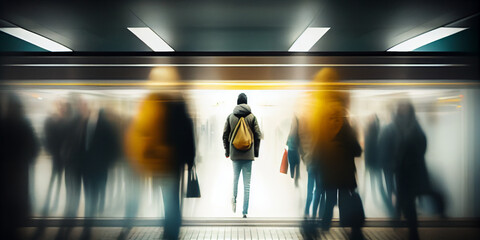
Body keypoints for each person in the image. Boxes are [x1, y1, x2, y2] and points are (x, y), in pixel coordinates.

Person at [125, 67, 195, 240]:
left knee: (166, 203)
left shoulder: (151, 103)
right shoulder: (179, 104)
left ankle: (165, 233)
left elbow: (141, 131)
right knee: (172, 204)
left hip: (158, 161)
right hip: (172, 162)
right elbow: (188, 135)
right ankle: (170, 234)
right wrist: (190, 160)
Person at [302, 68, 365, 240]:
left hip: (326, 169)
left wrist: (312, 161)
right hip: (344, 171)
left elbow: (315, 143)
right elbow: (355, 147)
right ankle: (354, 231)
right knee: (347, 200)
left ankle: (320, 228)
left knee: (327, 200)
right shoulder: (343, 116)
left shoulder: (318, 114)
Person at [392, 101, 445, 240]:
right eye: (400, 110)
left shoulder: (413, 127)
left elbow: (421, 145)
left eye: (404, 110)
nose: (401, 113)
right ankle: (411, 231)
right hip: (405, 173)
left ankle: (413, 231)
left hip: (412, 172)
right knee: (408, 203)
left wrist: (409, 158)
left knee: (412, 200)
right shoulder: (401, 128)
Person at [0, 92, 39, 240]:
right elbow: (34, 148)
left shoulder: (3, 124)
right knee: (17, 205)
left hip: (5, 174)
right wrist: (26, 159)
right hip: (20, 172)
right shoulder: (24, 124)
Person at [223, 93, 261, 218]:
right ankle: (244, 212)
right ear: (246, 102)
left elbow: (224, 135)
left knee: (235, 180)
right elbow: (258, 135)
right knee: (247, 185)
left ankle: (234, 201)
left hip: (235, 154)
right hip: (248, 155)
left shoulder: (230, 117)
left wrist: (227, 152)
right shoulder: (252, 117)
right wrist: (255, 152)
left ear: (237, 102)